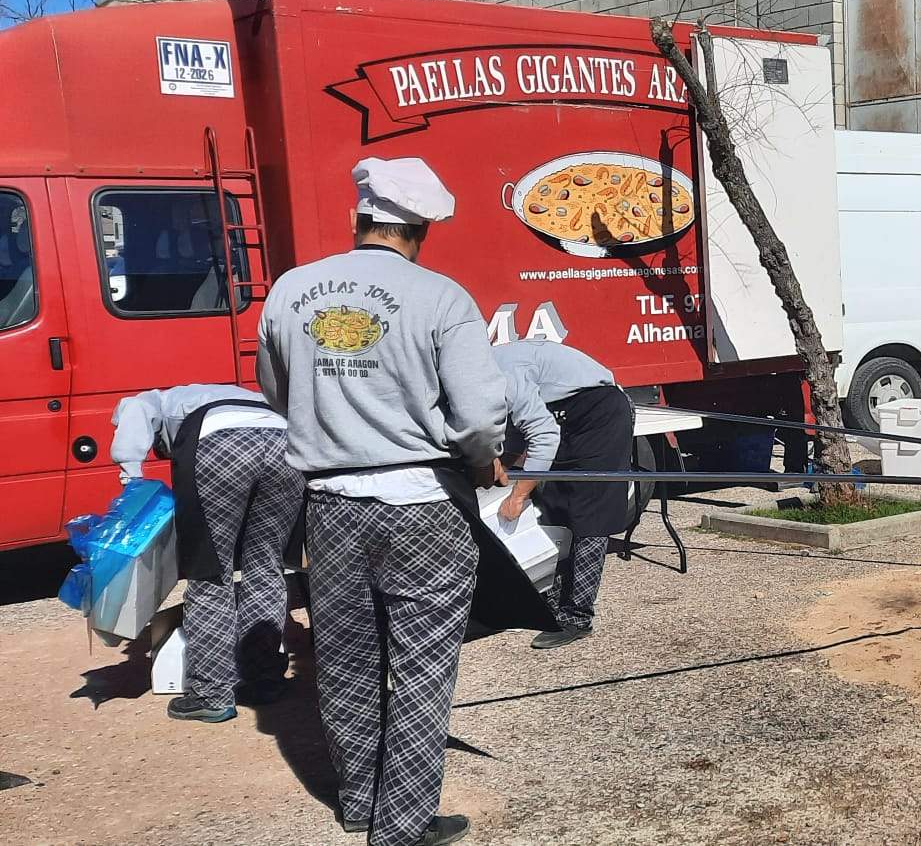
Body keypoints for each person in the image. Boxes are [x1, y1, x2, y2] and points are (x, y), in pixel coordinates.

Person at [258, 157, 554, 846]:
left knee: (345, 657)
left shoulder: (291, 291)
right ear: (422, 228)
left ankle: (360, 801)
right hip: (422, 500)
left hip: (329, 501)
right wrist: (481, 458)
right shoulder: (440, 297)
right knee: (422, 664)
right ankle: (402, 822)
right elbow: (482, 415)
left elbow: (278, 390)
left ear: (357, 219)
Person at [109, 384, 299, 723]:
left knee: (210, 572)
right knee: (266, 568)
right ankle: (265, 680)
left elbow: (135, 413)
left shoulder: (155, 399)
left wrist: (131, 478)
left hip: (217, 445)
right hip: (283, 443)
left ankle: (210, 694)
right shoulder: (228, 393)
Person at [492, 338, 633, 649]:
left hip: (599, 414)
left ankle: (577, 616)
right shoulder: (482, 375)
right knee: (554, 507)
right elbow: (519, 431)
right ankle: (552, 603)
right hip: (563, 418)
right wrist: (498, 466)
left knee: (588, 514)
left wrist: (518, 496)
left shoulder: (504, 373)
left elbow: (541, 436)